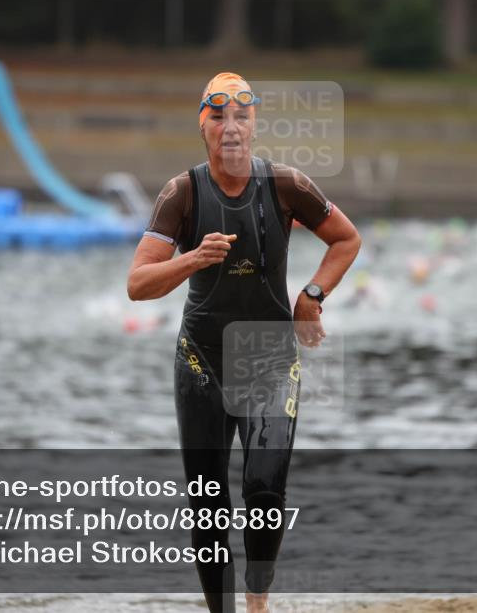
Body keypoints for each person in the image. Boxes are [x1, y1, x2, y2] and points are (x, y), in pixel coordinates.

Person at [127, 72, 361, 613]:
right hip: (200, 360)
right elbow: (137, 285)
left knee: (263, 491)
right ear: (203, 126)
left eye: (241, 116)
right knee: (209, 505)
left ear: (253, 125)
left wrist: (311, 295)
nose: (230, 128)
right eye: (218, 117)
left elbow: (346, 239)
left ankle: (257, 603)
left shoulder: (287, 185)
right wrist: (191, 259)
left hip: (269, 357)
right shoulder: (180, 193)